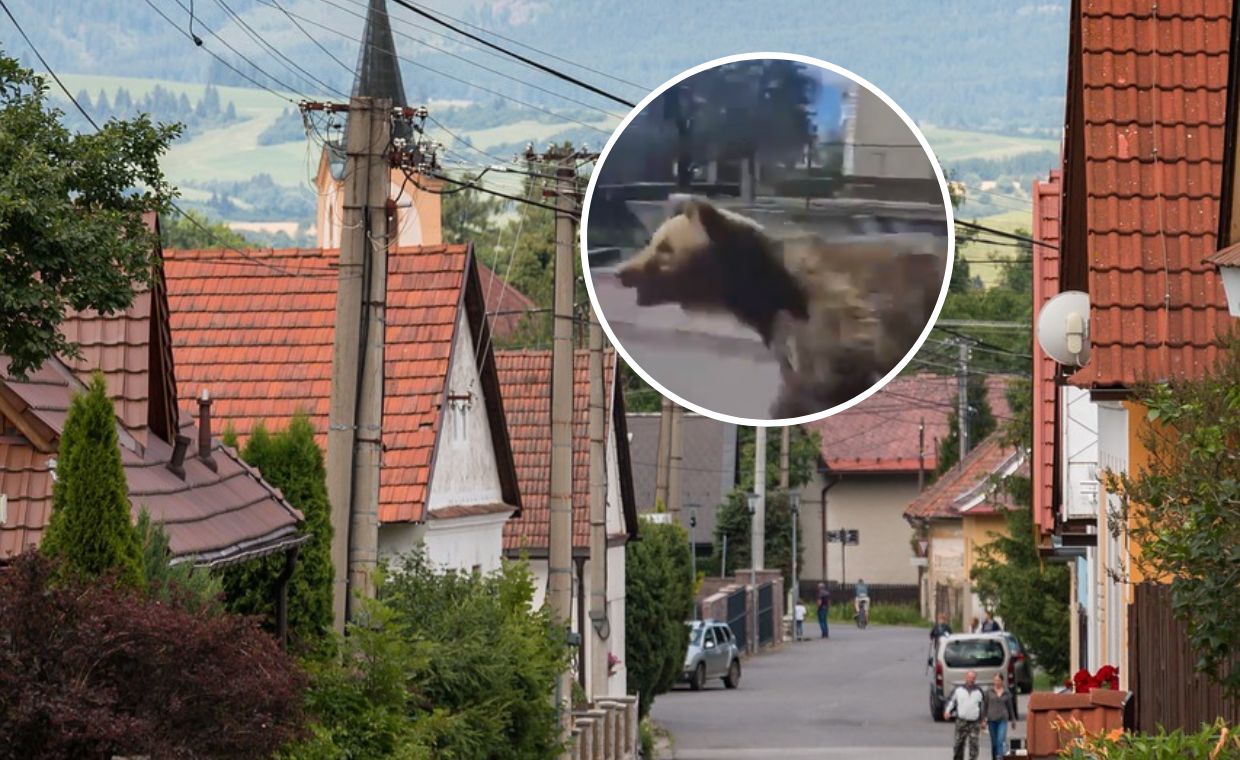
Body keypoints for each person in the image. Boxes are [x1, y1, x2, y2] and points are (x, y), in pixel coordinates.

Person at [944, 670, 986, 760]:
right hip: (961, 721)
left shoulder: (979, 691)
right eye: (969, 677)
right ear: (966, 677)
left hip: (974, 723)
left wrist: (983, 720)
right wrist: (947, 711)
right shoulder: (958, 690)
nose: (971, 679)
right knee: (958, 744)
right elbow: (952, 701)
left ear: (975, 679)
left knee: (974, 745)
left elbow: (982, 707)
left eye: (973, 678)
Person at [983, 673, 1018, 759]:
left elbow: (1010, 707)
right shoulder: (989, 692)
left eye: (998, 680)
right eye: (995, 680)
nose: (996, 682)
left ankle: (1000, 758)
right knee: (994, 743)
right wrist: (983, 719)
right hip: (992, 719)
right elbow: (985, 706)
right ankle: (994, 757)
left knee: (1000, 741)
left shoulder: (1006, 693)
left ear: (1002, 681)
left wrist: (1013, 720)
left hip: (1002, 719)